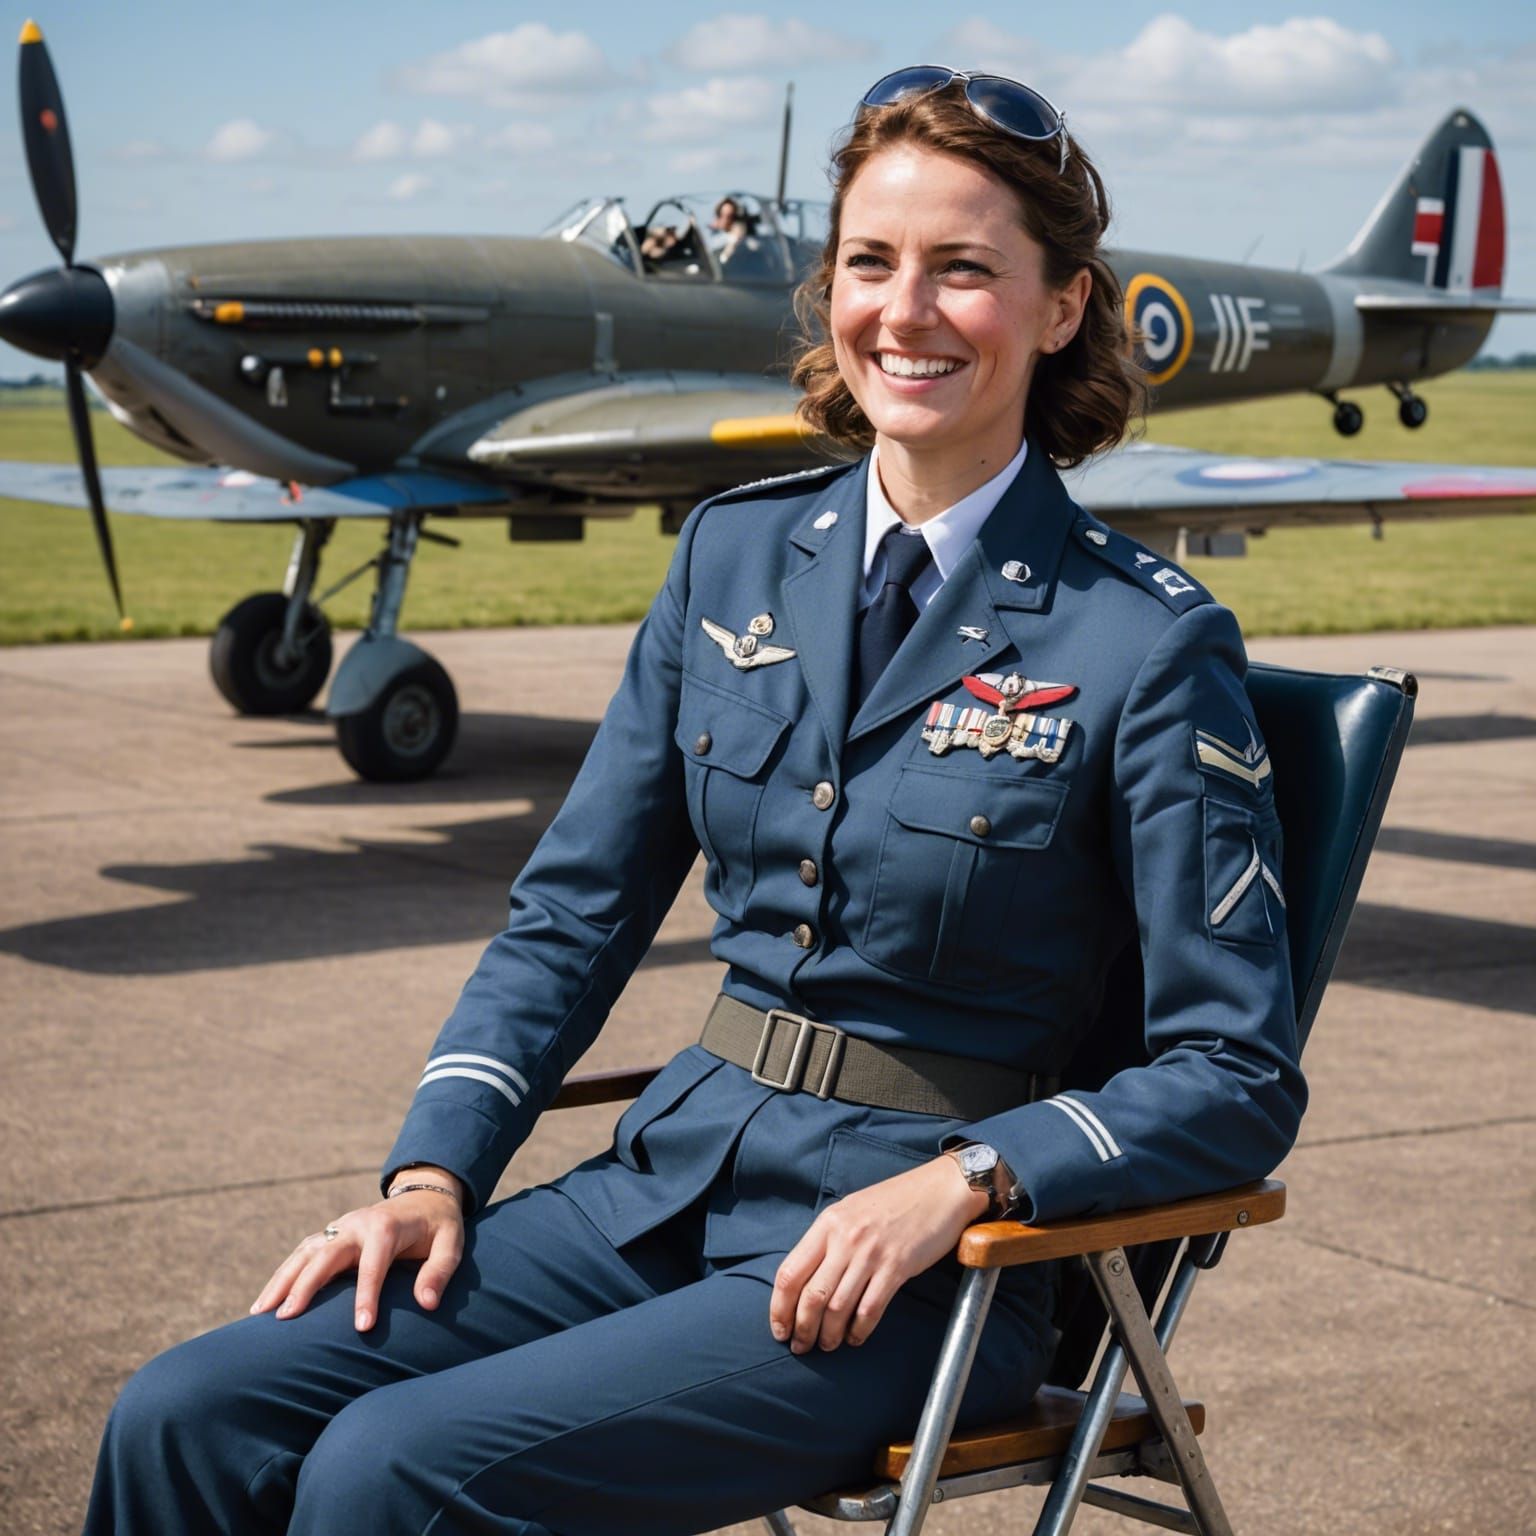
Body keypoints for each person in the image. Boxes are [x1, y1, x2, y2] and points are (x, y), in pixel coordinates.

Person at [83, 67, 1305, 1536]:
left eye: (964, 270)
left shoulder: (1146, 640)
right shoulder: (732, 561)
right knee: (185, 1416)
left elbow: (1236, 1076)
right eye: (871, 262)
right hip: (666, 1182)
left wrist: (973, 1181)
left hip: (917, 1272)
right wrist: (431, 1169)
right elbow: (573, 913)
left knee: (385, 1470)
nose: (904, 312)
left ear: (1059, 310)